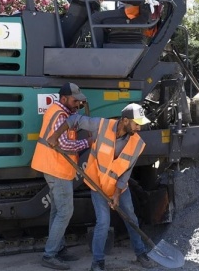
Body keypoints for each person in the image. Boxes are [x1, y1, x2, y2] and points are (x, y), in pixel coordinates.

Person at [61, 103, 156, 271]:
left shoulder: (137, 144)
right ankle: (98, 262)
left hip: (119, 188)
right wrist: (56, 135)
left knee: (131, 218)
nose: (139, 128)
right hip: (98, 185)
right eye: (137, 123)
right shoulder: (103, 125)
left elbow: (126, 172)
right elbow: (75, 119)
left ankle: (140, 252)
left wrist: (117, 193)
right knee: (103, 222)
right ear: (125, 121)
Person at [31, 82, 93, 270]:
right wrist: (88, 142)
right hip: (56, 168)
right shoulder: (60, 115)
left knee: (57, 211)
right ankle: (50, 255)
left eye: (79, 102)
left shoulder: (63, 112)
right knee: (65, 211)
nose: (77, 104)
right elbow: (64, 145)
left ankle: (57, 248)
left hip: (54, 166)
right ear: (64, 99)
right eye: (75, 101)